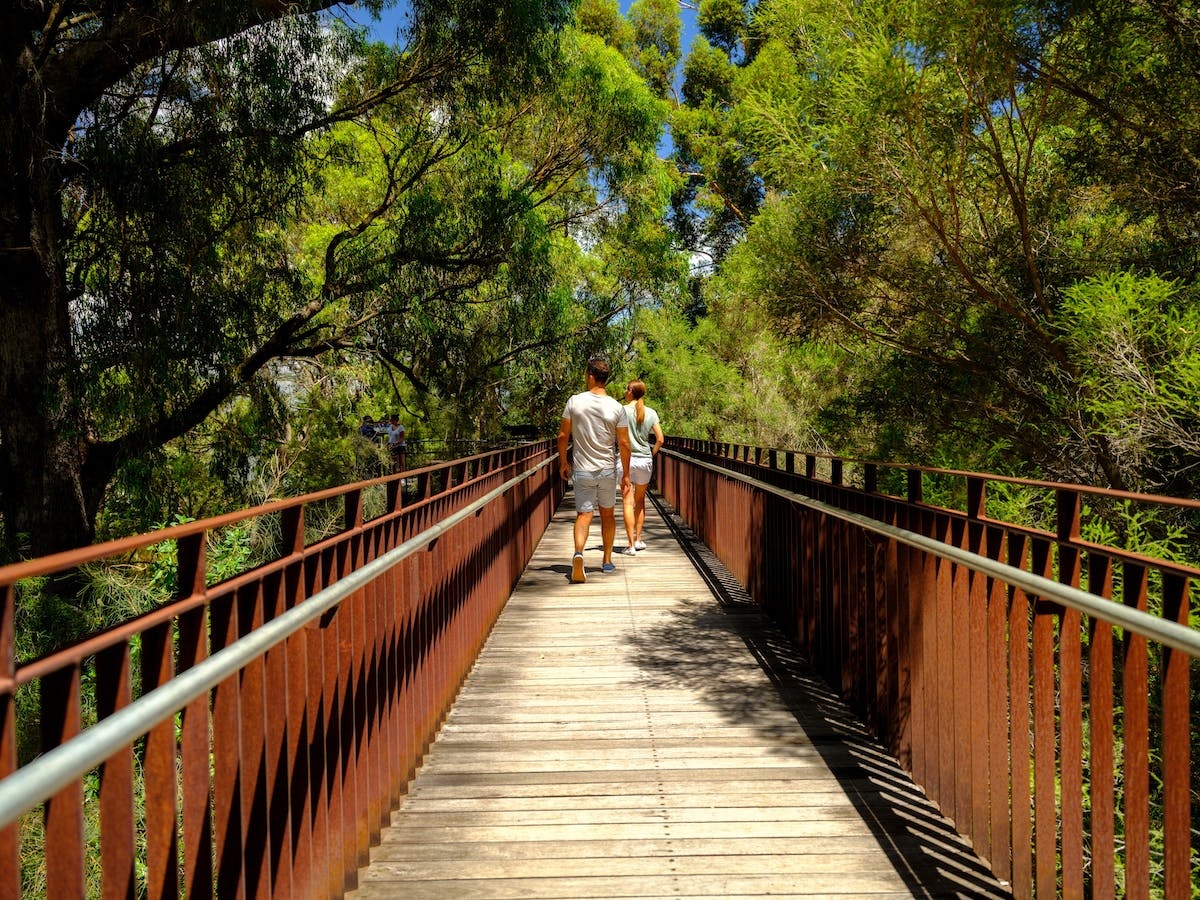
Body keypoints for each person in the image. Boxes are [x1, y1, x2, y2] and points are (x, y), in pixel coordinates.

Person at [557, 358, 631, 583]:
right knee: (607, 514)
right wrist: (625, 474)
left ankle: (579, 553)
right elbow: (625, 443)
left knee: (584, 515)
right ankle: (607, 560)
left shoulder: (574, 402)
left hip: (582, 470)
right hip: (607, 469)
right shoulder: (617, 407)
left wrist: (563, 463)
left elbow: (562, 436)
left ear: (590, 376)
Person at [618, 380, 664, 555]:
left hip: (626, 461)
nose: (625, 391)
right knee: (640, 501)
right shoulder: (651, 412)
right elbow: (660, 439)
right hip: (645, 460)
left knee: (627, 502)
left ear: (630, 392)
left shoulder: (621, 411)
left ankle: (630, 546)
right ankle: (638, 540)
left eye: (626, 389)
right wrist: (651, 454)